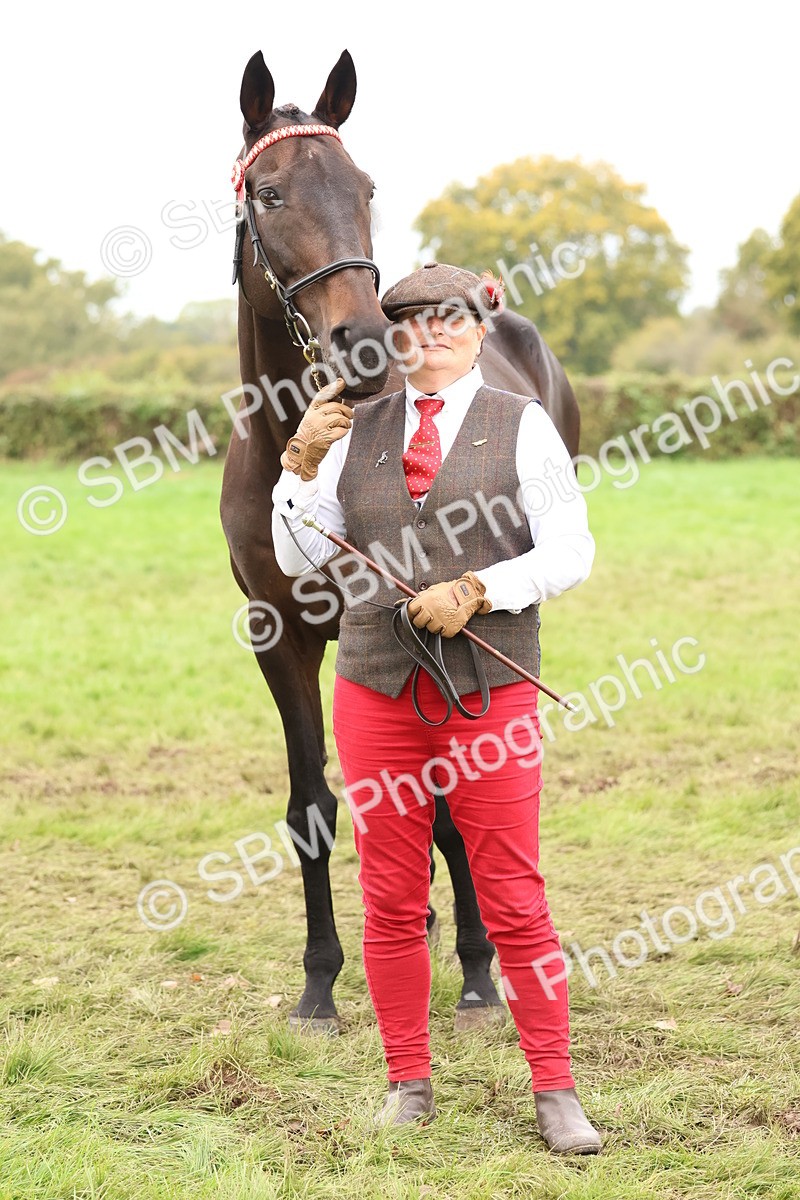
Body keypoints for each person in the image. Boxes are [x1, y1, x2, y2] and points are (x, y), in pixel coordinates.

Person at [271, 262, 602, 1155]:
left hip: (487, 695)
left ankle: (556, 1088)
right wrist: (297, 469)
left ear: (478, 330)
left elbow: (571, 550)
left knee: (514, 895)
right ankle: (407, 1080)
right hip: (375, 693)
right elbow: (301, 557)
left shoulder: (521, 423)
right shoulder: (353, 429)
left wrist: (480, 588)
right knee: (388, 896)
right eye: (412, 324)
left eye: (450, 321)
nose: (432, 336)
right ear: (396, 338)